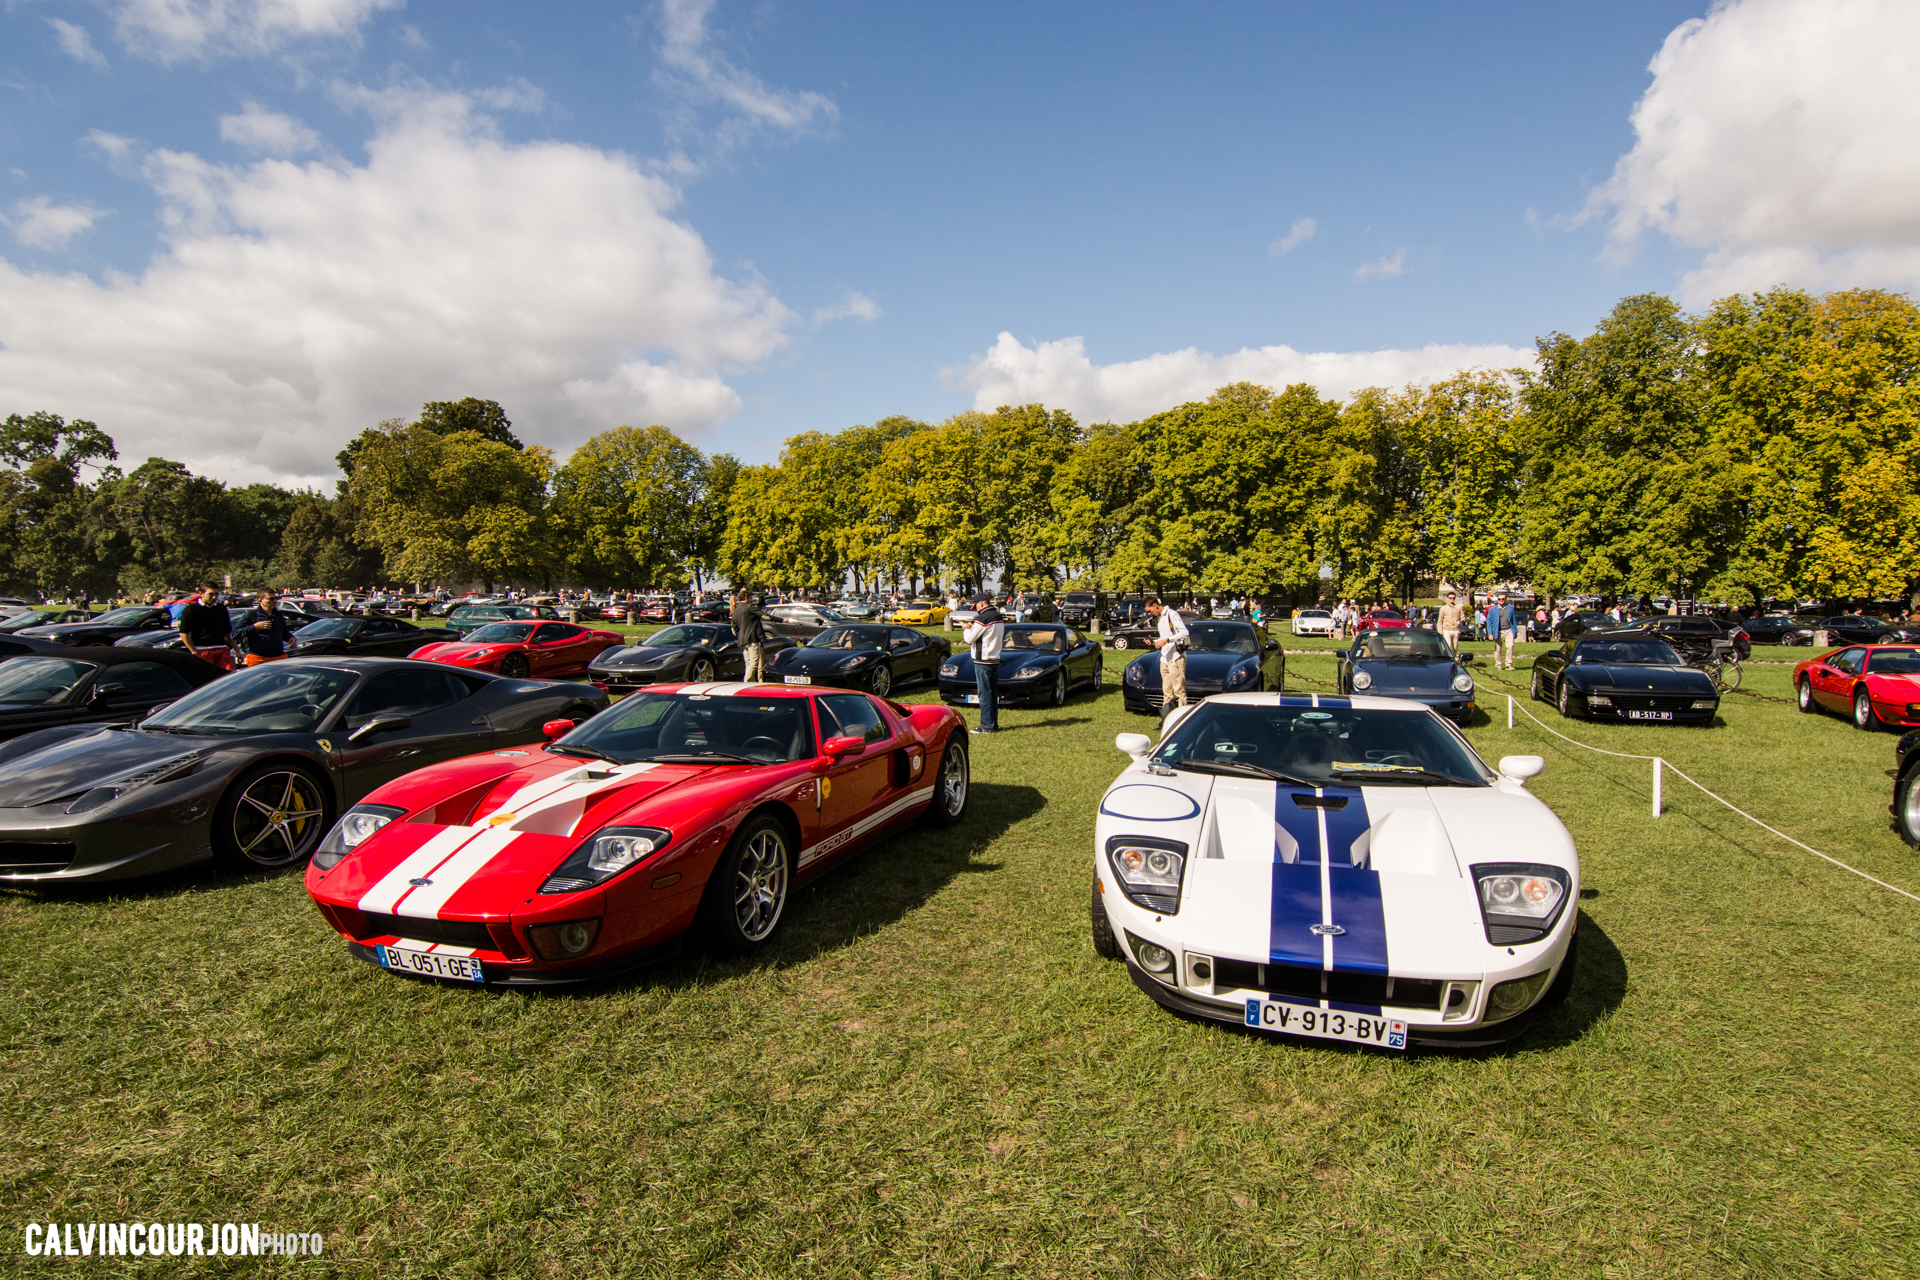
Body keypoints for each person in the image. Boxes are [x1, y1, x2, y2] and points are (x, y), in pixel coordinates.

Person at [962, 595, 1005, 734]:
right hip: (994, 658)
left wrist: (965, 628)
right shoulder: (998, 616)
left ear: (980, 603)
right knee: (992, 694)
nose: (977, 609)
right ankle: (993, 724)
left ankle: (986, 726)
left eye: (976, 605)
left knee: (985, 694)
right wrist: (972, 627)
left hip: (983, 660)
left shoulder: (982, 618)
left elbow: (969, 639)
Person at [1145, 596, 1191, 711]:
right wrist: (1153, 642)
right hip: (1164, 658)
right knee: (1167, 692)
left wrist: (1167, 640)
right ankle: (1166, 718)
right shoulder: (1160, 618)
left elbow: (1184, 632)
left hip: (1176, 657)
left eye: (1150, 611)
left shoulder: (1172, 614)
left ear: (1155, 606)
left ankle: (1182, 719)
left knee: (1179, 691)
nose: (1150, 614)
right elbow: (1163, 638)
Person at [177, 583, 235, 671]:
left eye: (216, 594)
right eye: (210, 594)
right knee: (207, 678)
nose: (214, 597)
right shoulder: (191, 609)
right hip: (202, 650)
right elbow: (183, 632)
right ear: (201, 593)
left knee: (228, 676)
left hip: (221, 648)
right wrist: (193, 651)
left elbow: (228, 631)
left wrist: (237, 650)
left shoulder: (221, 608)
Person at [240, 590, 297, 665]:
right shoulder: (251, 615)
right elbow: (236, 633)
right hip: (258, 659)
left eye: (275, 598)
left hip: (279, 658)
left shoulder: (278, 615)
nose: (274, 601)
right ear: (260, 600)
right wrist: (255, 627)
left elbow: (284, 633)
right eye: (271, 599)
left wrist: (290, 638)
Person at [732, 589, 766, 683]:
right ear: (746, 597)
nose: (752, 600)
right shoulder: (750, 607)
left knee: (747, 663)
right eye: (751, 597)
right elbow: (764, 616)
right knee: (753, 663)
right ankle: (746, 681)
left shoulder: (735, 610)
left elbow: (734, 628)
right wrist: (781, 620)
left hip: (741, 640)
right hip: (752, 639)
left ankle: (749, 683)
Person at [1487, 590, 1518, 671]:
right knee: (1498, 650)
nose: (1501, 601)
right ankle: (1498, 665)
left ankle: (1508, 664)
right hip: (1498, 631)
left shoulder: (1510, 608)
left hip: (1508, 630)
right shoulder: (1493, 609)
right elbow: (1489, 621)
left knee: (1510, 646)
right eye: (1499, 599)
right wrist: (1490, 633)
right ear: (1497, 600)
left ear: (1506, 599)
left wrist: (1515, 630)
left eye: (1503, 599)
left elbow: (1513, 620)